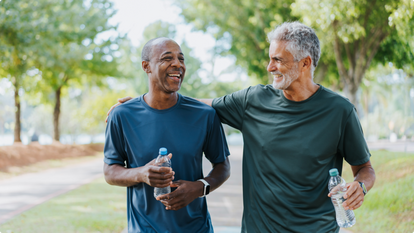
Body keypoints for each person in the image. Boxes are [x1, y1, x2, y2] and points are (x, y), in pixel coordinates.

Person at [107, 22, 376, 233]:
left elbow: (365, 169)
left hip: (318, 230)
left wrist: (360, 187)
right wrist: (142, 101)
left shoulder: (340, 110)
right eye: (270, 58)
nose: (270, 67)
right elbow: (201, 105)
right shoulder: (253, 100)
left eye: (278, 60)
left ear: (305, 63)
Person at [104, 37, 230, 233]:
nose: (177, 64)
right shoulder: (122, 115)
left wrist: (199, 187)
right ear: (146, 66)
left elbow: (222, 166)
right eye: (167, 58)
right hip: (143, 229)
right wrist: (141, 173)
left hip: (197, 228)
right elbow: (110, 172)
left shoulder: (205, 115)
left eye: (181, 59)